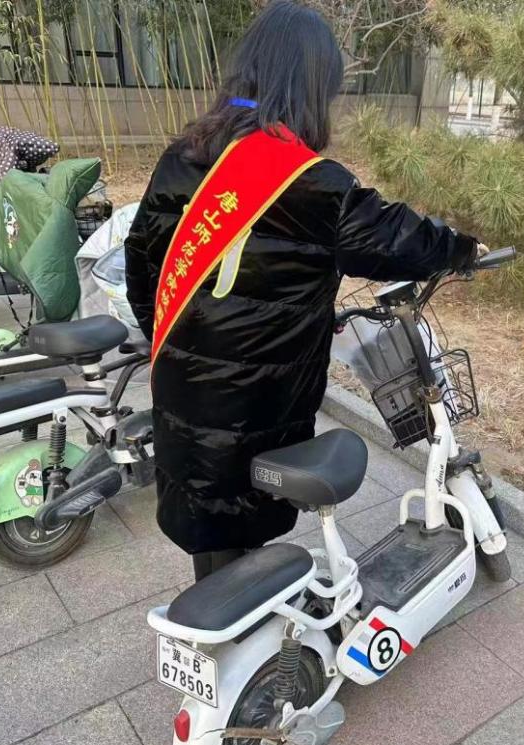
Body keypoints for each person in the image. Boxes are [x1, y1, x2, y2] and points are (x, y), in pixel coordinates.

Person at [124, 0, 483, 581]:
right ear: (312, 86)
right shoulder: (311, 182)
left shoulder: (183, 155)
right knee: (244, 510)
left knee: (207, 512)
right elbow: (393, 238)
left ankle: (223, 607)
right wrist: (461, 249)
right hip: (258, 397)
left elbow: (141, 262)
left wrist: (181, 343)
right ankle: (252, 619)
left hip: (180, 379)